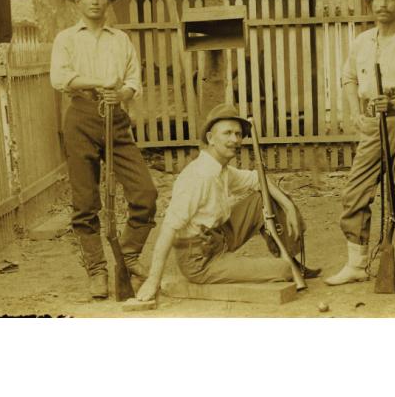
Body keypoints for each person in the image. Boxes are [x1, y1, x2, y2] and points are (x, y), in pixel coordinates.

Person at [136, 103, 320, 302]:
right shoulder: (199, 177)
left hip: (219, 237)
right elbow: (168, 229)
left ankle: (289, 257)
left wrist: (288, 206)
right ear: (210, 138)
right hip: (199, 260)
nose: (235, 140)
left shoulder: (221, 168)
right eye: (228, 133)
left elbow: (258, 179)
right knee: (282, 271)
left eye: (238, 134)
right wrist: (153, 281)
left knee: (262, 198)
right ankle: (286, 266)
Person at [50, 0, 157, 299]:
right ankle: (96, 269)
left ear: (109, 2)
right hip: (81, 115)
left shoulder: (120, 39)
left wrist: (121, 94)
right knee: (85, 202)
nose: (95, 1)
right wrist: (97, 83)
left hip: (116, 118)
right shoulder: (66, 39)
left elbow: (133, 81)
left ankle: (128, 255)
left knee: (145, 194)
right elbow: (59, 77)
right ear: (77, 2)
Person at [324, 0, 395, 289]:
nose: (383, 4)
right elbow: (348, 78)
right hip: (371, 125)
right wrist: (357, 112)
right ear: (370, 4)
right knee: (355, 192)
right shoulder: (361, 41)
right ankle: (357, 264)